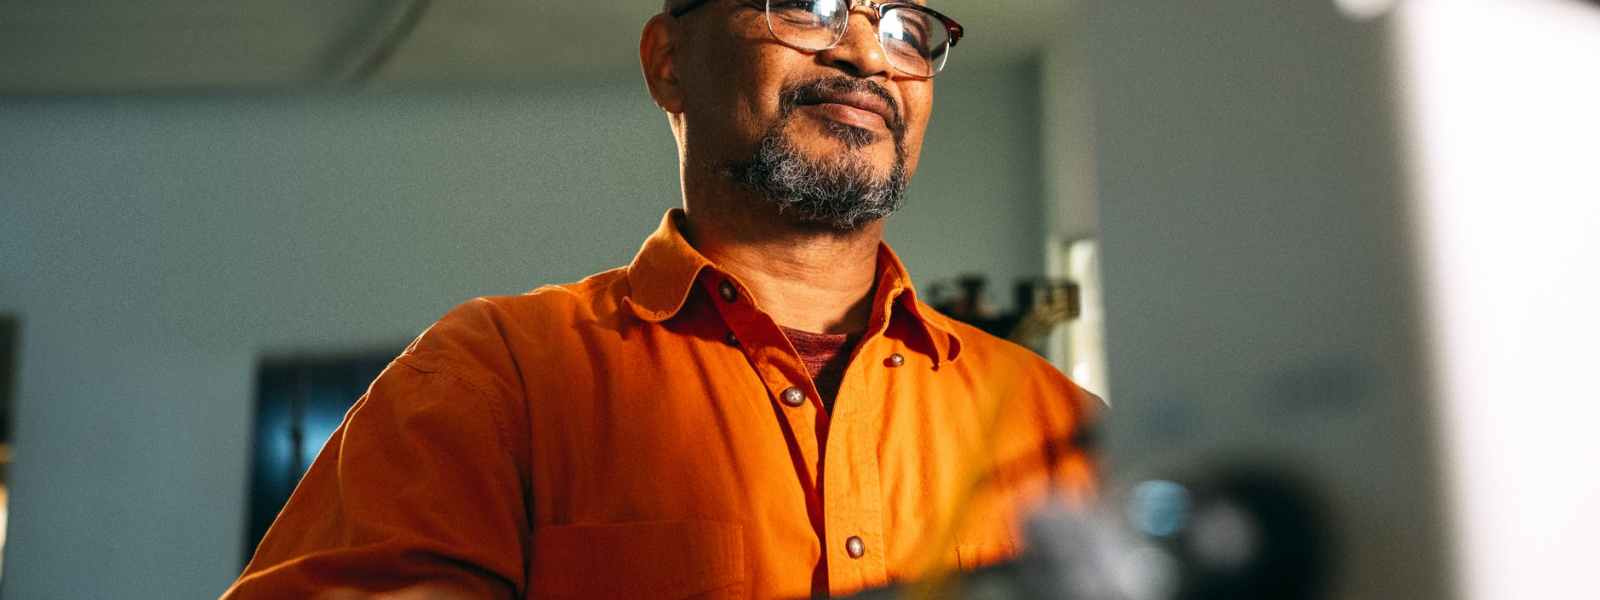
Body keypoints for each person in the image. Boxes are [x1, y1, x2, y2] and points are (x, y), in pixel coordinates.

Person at [223, 1, 1098, 598]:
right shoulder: (493, 382)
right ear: (668, 61)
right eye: (805, 3)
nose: (867, 53)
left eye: (908, 27)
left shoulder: (1059, 428)